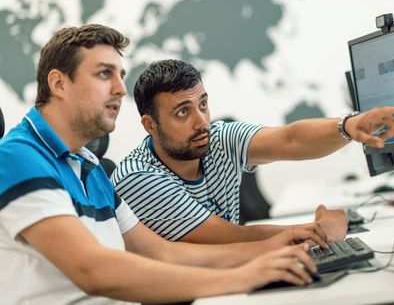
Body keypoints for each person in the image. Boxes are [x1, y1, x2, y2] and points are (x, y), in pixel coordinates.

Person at [0, 25, 319, 304]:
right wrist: (241, 277)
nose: (121, 89)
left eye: (120, 76)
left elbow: (162, 253)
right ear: (59, 83)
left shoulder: (88, 165)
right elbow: (93, 270)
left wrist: (271, 250)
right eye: (104, 74)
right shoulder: (17, 158)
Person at [111, 59, 394, 245]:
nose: (201, 121)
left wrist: (349, 126)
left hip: (233, 278)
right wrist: (315, 231)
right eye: (183, 112)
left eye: (203, 104)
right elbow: (228, 238)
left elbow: (290, 140)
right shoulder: (138, 178)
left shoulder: (218, 139)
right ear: (150, 125)